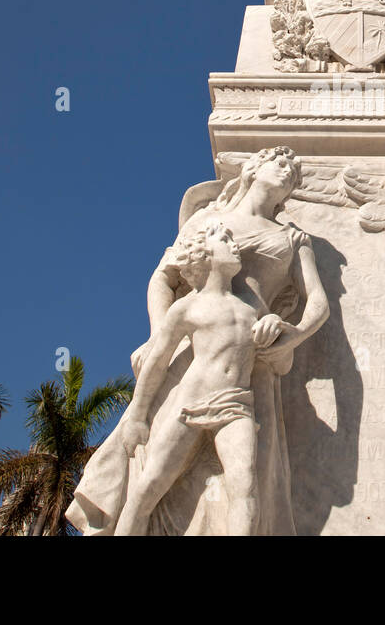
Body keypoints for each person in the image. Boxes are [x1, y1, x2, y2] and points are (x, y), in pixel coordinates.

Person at [66, 146, 329, 535]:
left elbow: (318, 303)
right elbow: (164, 278)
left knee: (248, 482)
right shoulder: (212, 221)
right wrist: (158, 335)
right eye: (281, 162)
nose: (289, 171)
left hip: (251, 363)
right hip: (195, 357)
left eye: (295, 170)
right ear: (254, 167)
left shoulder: (293, 238)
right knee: (155, 479)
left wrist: (293, 334)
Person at [114, 224, 263, 535]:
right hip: (190, 403)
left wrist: (276, 324)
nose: (234, 245)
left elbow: (282, 358)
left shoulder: (251, 308)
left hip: (236, 404)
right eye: (225, 240)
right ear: (203, 255)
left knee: (245, 484)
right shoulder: (187, 307)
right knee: (148, 486)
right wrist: (138, 416)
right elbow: (156, 363)